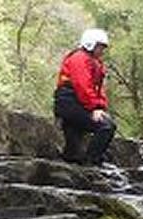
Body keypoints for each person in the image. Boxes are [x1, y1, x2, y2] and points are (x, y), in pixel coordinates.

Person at [54, 28, 116, 165]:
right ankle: (91, 161)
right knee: (106, 126)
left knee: (73, 150)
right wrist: (94, 108)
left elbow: (98, 89)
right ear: (90, 44)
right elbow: (82, 86)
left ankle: (75, 159)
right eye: (100, 47)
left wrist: (101, 107)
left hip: (76, 103)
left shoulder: (93, 62)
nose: (102, 51)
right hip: (69, 103)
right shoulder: (79, 59)